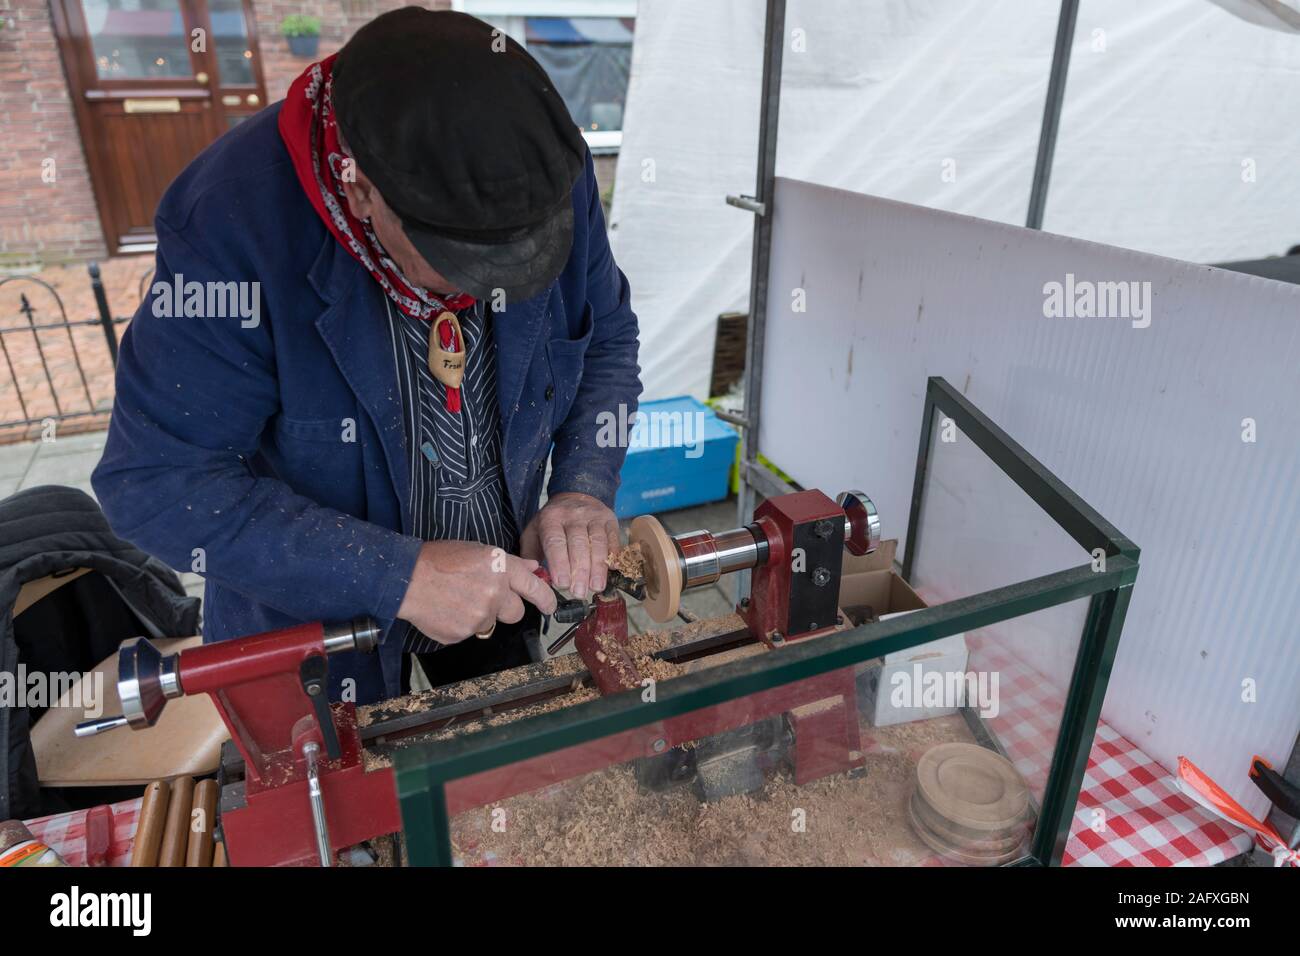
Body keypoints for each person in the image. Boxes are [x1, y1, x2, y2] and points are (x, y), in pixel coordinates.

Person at [92, 8, 641, 703]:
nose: (492, 291)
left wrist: (583, 484)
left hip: (499, 582)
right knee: (354, 804)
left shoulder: (542, 173)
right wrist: (396, 575)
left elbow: (608, 340)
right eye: (462, 264)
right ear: (360, 190)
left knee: (500, 782)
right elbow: (155, 483)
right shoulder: (230, 226)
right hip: (322, 627)